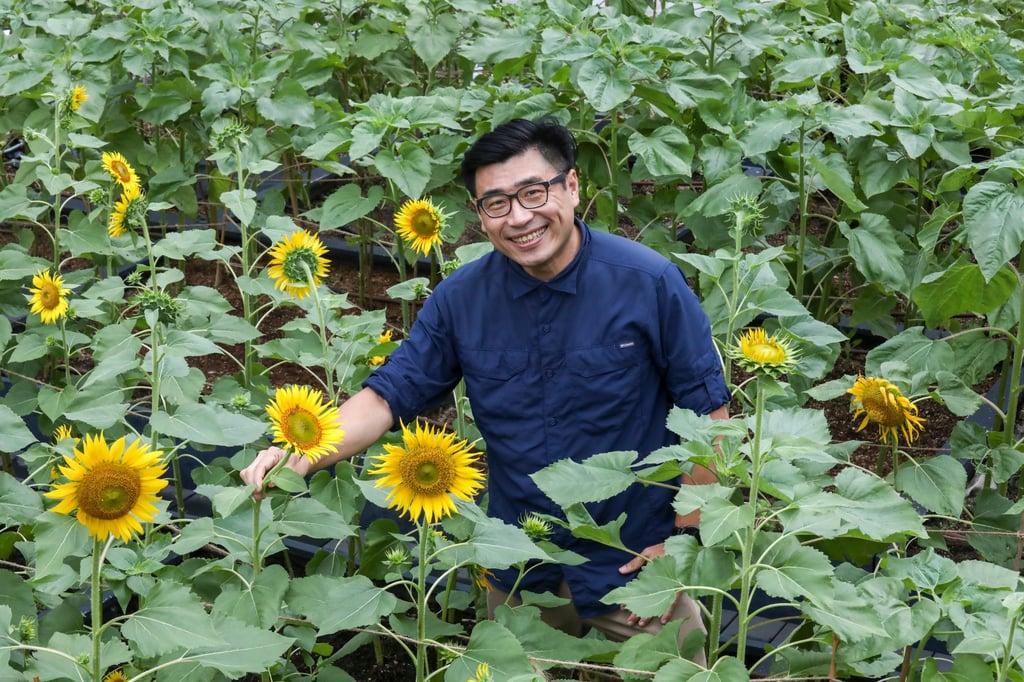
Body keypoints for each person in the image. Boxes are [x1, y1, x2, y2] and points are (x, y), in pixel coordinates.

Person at [241, 117, 730, 661]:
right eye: (496, 203)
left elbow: (706, 415)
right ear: (479, 215)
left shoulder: (648, 283)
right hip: (521, 559)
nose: (519, 217)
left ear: (571, 187)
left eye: (533, 192)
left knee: (682, 671)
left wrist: (681, 546)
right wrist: (301, 454)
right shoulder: (462, 299)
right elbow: (389, 394)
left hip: (633, 560)